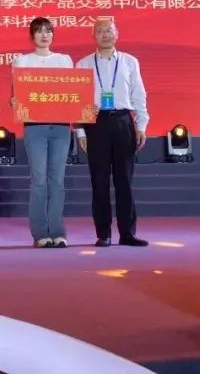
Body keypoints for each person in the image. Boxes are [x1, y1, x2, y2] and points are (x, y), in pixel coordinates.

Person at [75, 18, 150, 248]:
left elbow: (139, 95)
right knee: (99, 182)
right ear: (93, 36)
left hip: (123, 121)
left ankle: (127, 233)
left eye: (109, 30)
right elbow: (78, 101)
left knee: (124, 180)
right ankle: (103, 234)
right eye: (100, 31)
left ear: (117, 34)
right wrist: (80, 132)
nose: (105, 34)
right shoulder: (83, 64)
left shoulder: (130, 62)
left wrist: (141, 126)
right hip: (95, 124)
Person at [11, 17, 74, 249]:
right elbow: (17, 95)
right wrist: (15, 102)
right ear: (32, 36)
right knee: (39, 180)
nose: (44, 35)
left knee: (57, 180)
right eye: (39, 31)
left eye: (48, 31)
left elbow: (73, 91)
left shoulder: (64, 60)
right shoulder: (21, 61)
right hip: (34, 126)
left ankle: (58, 231)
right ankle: (40, 233)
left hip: (61, 126)